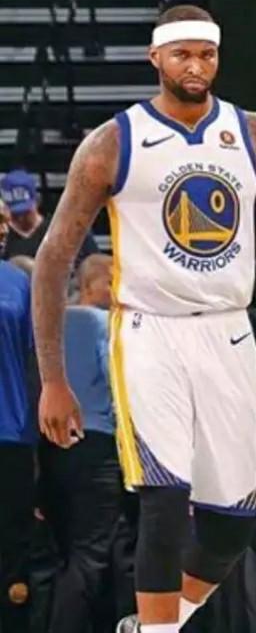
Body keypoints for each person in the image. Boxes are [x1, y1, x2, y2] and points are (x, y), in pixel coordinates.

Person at [30, 5, 256, 633]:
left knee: (232, 523)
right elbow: (54, 258)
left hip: (229, 328)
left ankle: (156, 624)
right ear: (155, 58)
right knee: (164, 495)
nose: (195, 66)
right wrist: (54, 378)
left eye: (206, 54)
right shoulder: (114, 141)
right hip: (149, 329)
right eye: (182, 54)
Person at [37, 254, 123, 633]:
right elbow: (118, 385)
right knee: (92, 555)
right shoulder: (104, 324)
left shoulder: (50, 326)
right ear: (90, 284)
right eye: (113, 282)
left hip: (49, 448)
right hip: (96, 445)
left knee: (62, 554)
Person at [0, 200, 35, 631]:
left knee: (12, 558)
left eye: (6, 221)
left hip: (10, 433)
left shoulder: (17, 282)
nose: (4, 229)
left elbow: (33, 359)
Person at [0, 168, 98, 264]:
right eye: (15, 213)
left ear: (38, 200)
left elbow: (94, 263)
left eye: (25, 211)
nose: (20, 218)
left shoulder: (65, 229)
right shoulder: (3, 237)